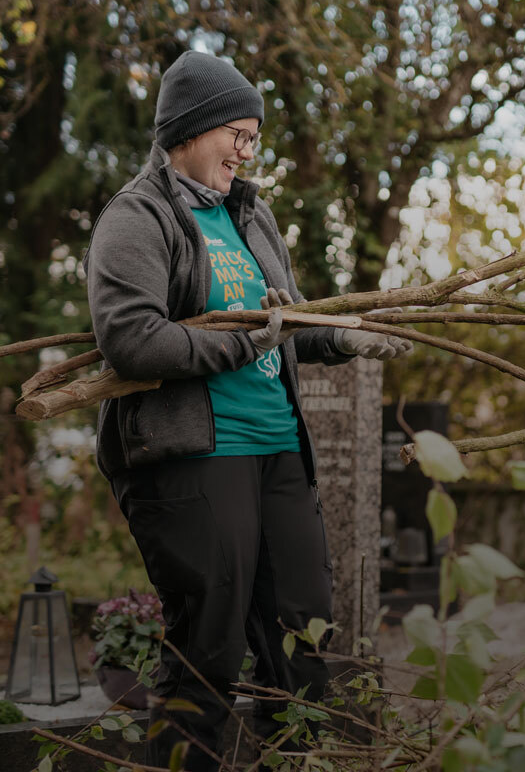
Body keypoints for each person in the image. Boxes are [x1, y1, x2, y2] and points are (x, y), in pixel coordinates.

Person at [84, 50, 412, 770]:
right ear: (190, 130)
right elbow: (134, 341)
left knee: (301, 634)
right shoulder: (136, 218)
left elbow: (282, 325)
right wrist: (242, 343)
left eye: (253, 138)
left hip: (276, 451)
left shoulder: (251, 215)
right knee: (210, 643)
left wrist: (348, 337)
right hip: (195, 459)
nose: (246, 150)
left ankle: (299, 759)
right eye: (236, 132)